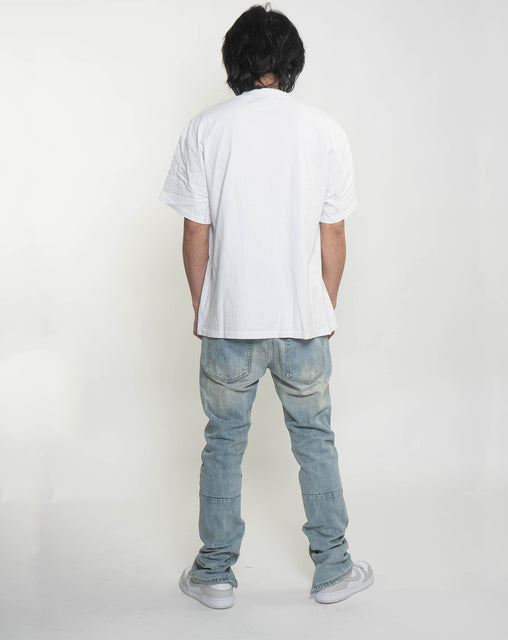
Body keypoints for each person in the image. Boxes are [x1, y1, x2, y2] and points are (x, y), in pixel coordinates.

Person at [158, 3, 373, 608]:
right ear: (292, 61)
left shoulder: (205, 128)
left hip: (230, 321)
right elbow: (334, 232)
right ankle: (334, 570)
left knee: (223, 442)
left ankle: (213, 574)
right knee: (315, 439)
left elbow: (195, 230)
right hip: (303, 320)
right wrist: (323, 305)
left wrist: (204, 306)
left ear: (235, 60)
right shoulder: (324, 130)